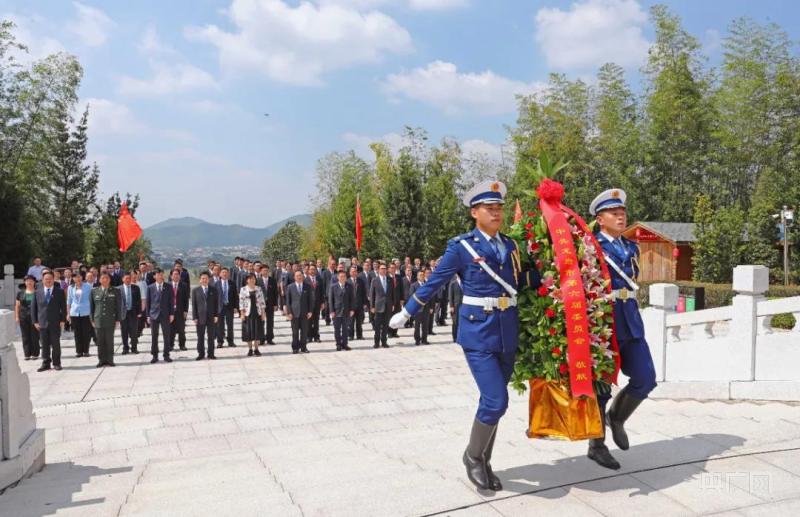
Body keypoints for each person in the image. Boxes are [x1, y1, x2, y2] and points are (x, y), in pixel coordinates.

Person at [389, 180, 540, 491]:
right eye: (490, 208)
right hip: (478, 332)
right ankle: (472, 457)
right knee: (497, 400)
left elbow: (520, 279)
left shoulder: (510, 246)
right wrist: (407, 312)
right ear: (475, 212)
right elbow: (435, 281)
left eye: (499, 208)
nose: (496, 213)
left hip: (506, 329)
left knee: (494, 401)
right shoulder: (462, 247)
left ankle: (485, 459)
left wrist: (553, 272)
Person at [587, 188, 658, 470]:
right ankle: (597, 445)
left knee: (646, 377)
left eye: (622, 212)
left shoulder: (631, 247)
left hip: (630, 317)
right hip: (604, 320)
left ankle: (616, 417)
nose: (620, 216)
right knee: (601, 387)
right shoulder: (590, 247)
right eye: (613, 213)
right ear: (599, 219)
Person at [32, 270, 67, 372]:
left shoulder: (59, 291)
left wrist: (63, 320)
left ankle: (57, 363)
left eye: (50, 279)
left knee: (55, 344)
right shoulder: (37, 292)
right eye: (46, 279)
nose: (48, 281)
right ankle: (46, 363)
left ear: (53, 279)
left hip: (55, 322)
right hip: (42, 323)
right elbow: (33, 308)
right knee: (44, 344)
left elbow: (63, 307)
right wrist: (35, 321)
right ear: (42, 280)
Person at [90, 272, 121, 367]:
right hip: (98, 320)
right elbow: (92, 307)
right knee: (100, 341)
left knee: (109, 341)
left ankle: (110, 359)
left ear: (109, 280)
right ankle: (101, 360)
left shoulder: (115, 291)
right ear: (99, 280)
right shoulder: (94, 291)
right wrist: (92, 319)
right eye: (103, 278)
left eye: (107, 278)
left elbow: (118, 306)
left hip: (110, 320)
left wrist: (118, 320)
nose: (105, 280)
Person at [146, 269, 175, 364]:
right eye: (158, 274)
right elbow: (148, 302)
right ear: (154, 276)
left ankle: (166, 355)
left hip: (165, 315)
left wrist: (172, 314)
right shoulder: (150, 287)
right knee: (154, 336)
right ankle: (155, 355)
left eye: (161, 274)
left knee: (166, 336)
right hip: (154, 315)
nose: (160, 276)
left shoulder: (168, 286)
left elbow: (171, 301)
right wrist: (148, 315)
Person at [192, 271, 219, 360]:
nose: (204, 280)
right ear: (200, 280)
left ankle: (211, 354)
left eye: (206, 278)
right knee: (200, 336)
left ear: (209, 279)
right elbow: (194, 305)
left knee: (211, 336)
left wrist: (216, 315)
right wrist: (194, 317)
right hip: (200, 317)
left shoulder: (213, 290)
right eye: (203, 278)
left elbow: (216, 303)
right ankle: (201, 354)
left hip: (211, 316)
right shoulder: (195, 290)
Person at [239, 273, 266, 357]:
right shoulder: (243, 289)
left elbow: (262, 301)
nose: (252, 280)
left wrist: (263, 313)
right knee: (248, 332)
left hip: (257, 312)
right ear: (247, 280)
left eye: (253, 278)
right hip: (248, 313)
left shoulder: (259, 288)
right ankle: (250, 349)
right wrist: (242, 314)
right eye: (250, 278)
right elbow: (241, 302)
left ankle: (256, 349)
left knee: (257, 332)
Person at [67, 271, 93, 357]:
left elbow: (91, 299)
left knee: (86, 332)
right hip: (74, 312)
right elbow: (69, 301)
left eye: (79, 276)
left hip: (86, 312)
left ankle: (86, 351)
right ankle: (79, 351)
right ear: (73, 278)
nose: (77, 278)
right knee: (77, 333)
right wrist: (68, 313)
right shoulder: (70, 287)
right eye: (75, 277)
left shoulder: (88, 286)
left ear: (82, 277)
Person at [285, 270, 311, 354]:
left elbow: (311, 300)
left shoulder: (307, 286)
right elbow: (288, 301)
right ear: (294, 277)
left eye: (300, 275)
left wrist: (310, 311)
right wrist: (289, 313)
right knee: (295, 332)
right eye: (297, 276)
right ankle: (295, 348)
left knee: (304, 332)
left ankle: (303, 347)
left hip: (305, 313)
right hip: (294, 313)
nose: (299, 277)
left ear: (303, 276)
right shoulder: (290, 287)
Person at [369, 263, 394, 349]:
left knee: (386, 325)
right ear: (379, 270)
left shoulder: (390, 280)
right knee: (377, 326)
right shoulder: (374, 280)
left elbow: (392, 293)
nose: (383, 270)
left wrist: (393, 304)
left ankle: (384, 342)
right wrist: (372, 306)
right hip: (378, 307)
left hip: (388, 306)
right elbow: (372, 294)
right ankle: (376, 342)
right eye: (382, 268)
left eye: (384, 268)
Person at [328, 269, 354, 351]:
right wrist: (332, 311)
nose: (343, 278)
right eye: (341, 276)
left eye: (344, 276)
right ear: (338, 277)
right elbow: (330, 300)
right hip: (336, 311)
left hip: (346, 311)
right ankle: (338, 344)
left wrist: (352, 309)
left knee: (346, 329)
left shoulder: (349, 286)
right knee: (337, 329)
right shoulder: (333, 287)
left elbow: (352, 299)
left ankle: (345, 344)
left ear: (346, 277)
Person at [15, 275, 40, 360]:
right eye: (27, 281)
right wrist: (17, 317)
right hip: (23, 317)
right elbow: (17, 306)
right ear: (25, 282)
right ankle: (27, 354)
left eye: (31, 281)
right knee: (25, 335)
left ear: (34, 282)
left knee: (34, 335)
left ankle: (35, 353)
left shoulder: (38, 292)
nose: (29, 282)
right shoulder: (20, 293)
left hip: (35, 317)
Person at [119, 272, 142, 354]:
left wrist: (139, 312)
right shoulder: (119, 289)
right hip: (123, 313)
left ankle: (134, 348)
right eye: (126, 278)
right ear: (123, 279)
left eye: (129, 278)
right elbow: (117, 303)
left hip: (133, 313)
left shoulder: (136, 288)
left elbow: (139, 301)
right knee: (124, 331)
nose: (128, 280)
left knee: (134, 331)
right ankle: (125, 348)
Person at [168, 269, 190, 352]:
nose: (176, 276)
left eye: (178, 274)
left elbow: (186, 299)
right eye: (174, 274)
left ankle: (182, 345)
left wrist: (185, 311)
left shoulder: (184, 285)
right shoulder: (167, 285)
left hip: (180, 311)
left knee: (181, 329)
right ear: (171, 276)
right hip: (170, 311)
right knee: (171, 329)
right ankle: (170, 345)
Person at [216, 267, 238, 348]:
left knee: (230, 325)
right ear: (220, 274)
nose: (225, 274)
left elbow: (235, 296)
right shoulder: (216, 284)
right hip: (219, 307)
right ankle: (220, 342)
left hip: (229, 306)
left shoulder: (232, 283)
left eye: (226, 272)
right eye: (223, 272)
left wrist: (236, 307)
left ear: (228, 274)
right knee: (220, 325)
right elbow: (214, 298)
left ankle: (231, 341)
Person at [410, 270, 431, 346]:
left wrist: (431, 307)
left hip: (426, 308)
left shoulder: (427, 284)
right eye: (420, 275)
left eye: (423, 275)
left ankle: (424, 339)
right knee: (417, 325)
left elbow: (431, 295)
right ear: (417, 276)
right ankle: (417, 340)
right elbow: (411, 297)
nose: (422, 276)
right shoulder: (413, 285)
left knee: (425, 325)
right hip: (417, 309)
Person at [258, 265, 278, 345]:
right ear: (261, 272)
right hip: (260, 305)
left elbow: (275, 293)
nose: (265, 272)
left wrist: (275, 304)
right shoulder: (257, 281)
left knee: (270, 321)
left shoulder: (272, 280)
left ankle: (269, 338)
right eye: (263, 270)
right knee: (261, 321)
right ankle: (261, 338)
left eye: (266, 270)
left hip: (270, 304)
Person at [306, 265, 325, 343]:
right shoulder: (305, 280)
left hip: (317, 304)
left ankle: (316, 336)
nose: (312, 271)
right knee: (309, 321)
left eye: (314, 269)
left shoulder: (319, 279)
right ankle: (309, 336)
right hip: (308, 304)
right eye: (311, 269)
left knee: (316, 321)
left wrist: (323, 302)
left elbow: (322, 292)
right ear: (308, 271)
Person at [347, 266, 366, 341]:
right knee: (350, 322)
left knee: (359, 321)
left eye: (355, 271)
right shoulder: (347, 281)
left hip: (359, 304)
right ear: (349, 272)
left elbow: (364, 293)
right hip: (350, 305)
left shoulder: (361, 281)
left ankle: (359, 335)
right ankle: (350, 335)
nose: (354, 273)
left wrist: (364, 303)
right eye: (352, 271)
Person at [448, 274, 464, 342]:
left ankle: (462, 336)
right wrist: (451, 306)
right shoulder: (453, 283)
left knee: (463, 321)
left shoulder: (465, 283)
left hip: (464, 305)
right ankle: (455, 337)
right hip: (455, 305)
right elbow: (450, 295)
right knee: (455, 322)